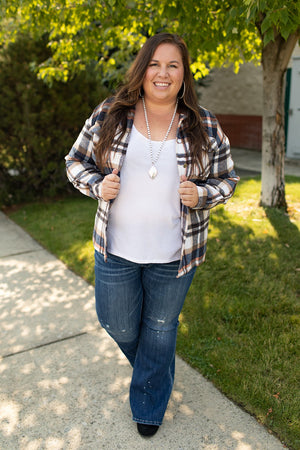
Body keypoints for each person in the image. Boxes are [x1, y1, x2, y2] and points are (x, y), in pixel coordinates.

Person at [65, 32, 239, 438]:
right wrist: (96, 185)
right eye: (155, 64)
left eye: (173, 65)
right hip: (116, 248)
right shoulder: (112, 112)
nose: (163, 73)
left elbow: (228, 179)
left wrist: (201, 194)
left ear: (184, 74)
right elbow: (76, 161)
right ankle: (157, 369)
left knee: (161, 326)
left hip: (175, 253)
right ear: (143, 70)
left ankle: (148, 401)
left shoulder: (204, 123)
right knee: (118, 324)